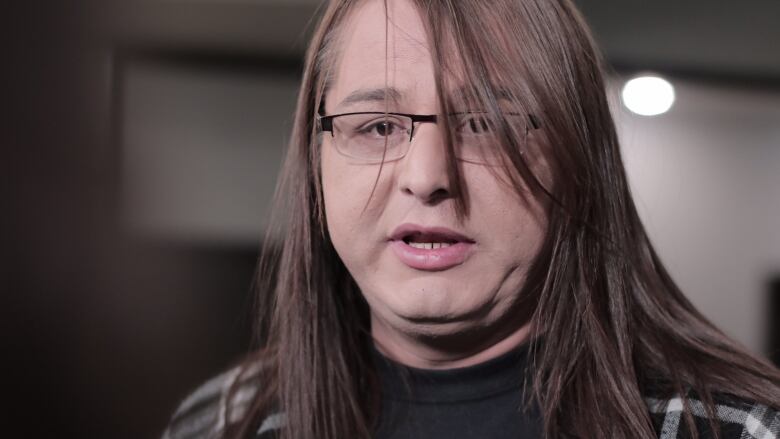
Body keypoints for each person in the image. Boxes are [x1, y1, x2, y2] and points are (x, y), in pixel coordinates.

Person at [162, 0, 780, 438]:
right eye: (377, 126)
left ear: (578, 162)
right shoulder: (216, 425)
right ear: (315, 164)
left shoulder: (743, 430)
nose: (428, 176)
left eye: (485, 124)